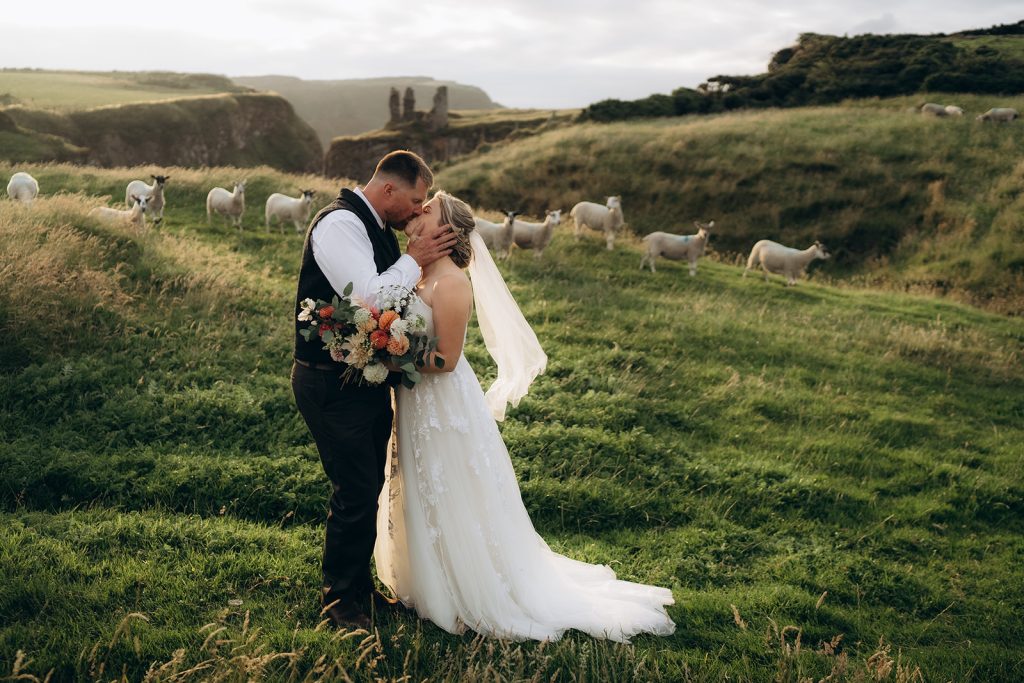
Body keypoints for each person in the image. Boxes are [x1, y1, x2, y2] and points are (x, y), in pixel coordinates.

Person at [374, 191, 676, 642]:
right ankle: (428, 581)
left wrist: (390, 356)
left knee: (450, 488)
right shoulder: (418, 275)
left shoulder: (452, 282)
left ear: (447, 230)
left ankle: (465, 590)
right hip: (418, 400)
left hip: (442, 402)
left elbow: (448, 359)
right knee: (420, 486)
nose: (417, 212)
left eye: (427, 210)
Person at [291, 150, 457, 630]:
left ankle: (357, 589)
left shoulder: (378, 227)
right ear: (389, 191)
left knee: (368, 487)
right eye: (416, 199)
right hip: (328, 383)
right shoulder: (340, 225)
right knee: (356, 489)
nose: (417, 210)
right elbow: (367, 297)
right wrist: (413, 260)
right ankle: (339, 603)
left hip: (363, 381)